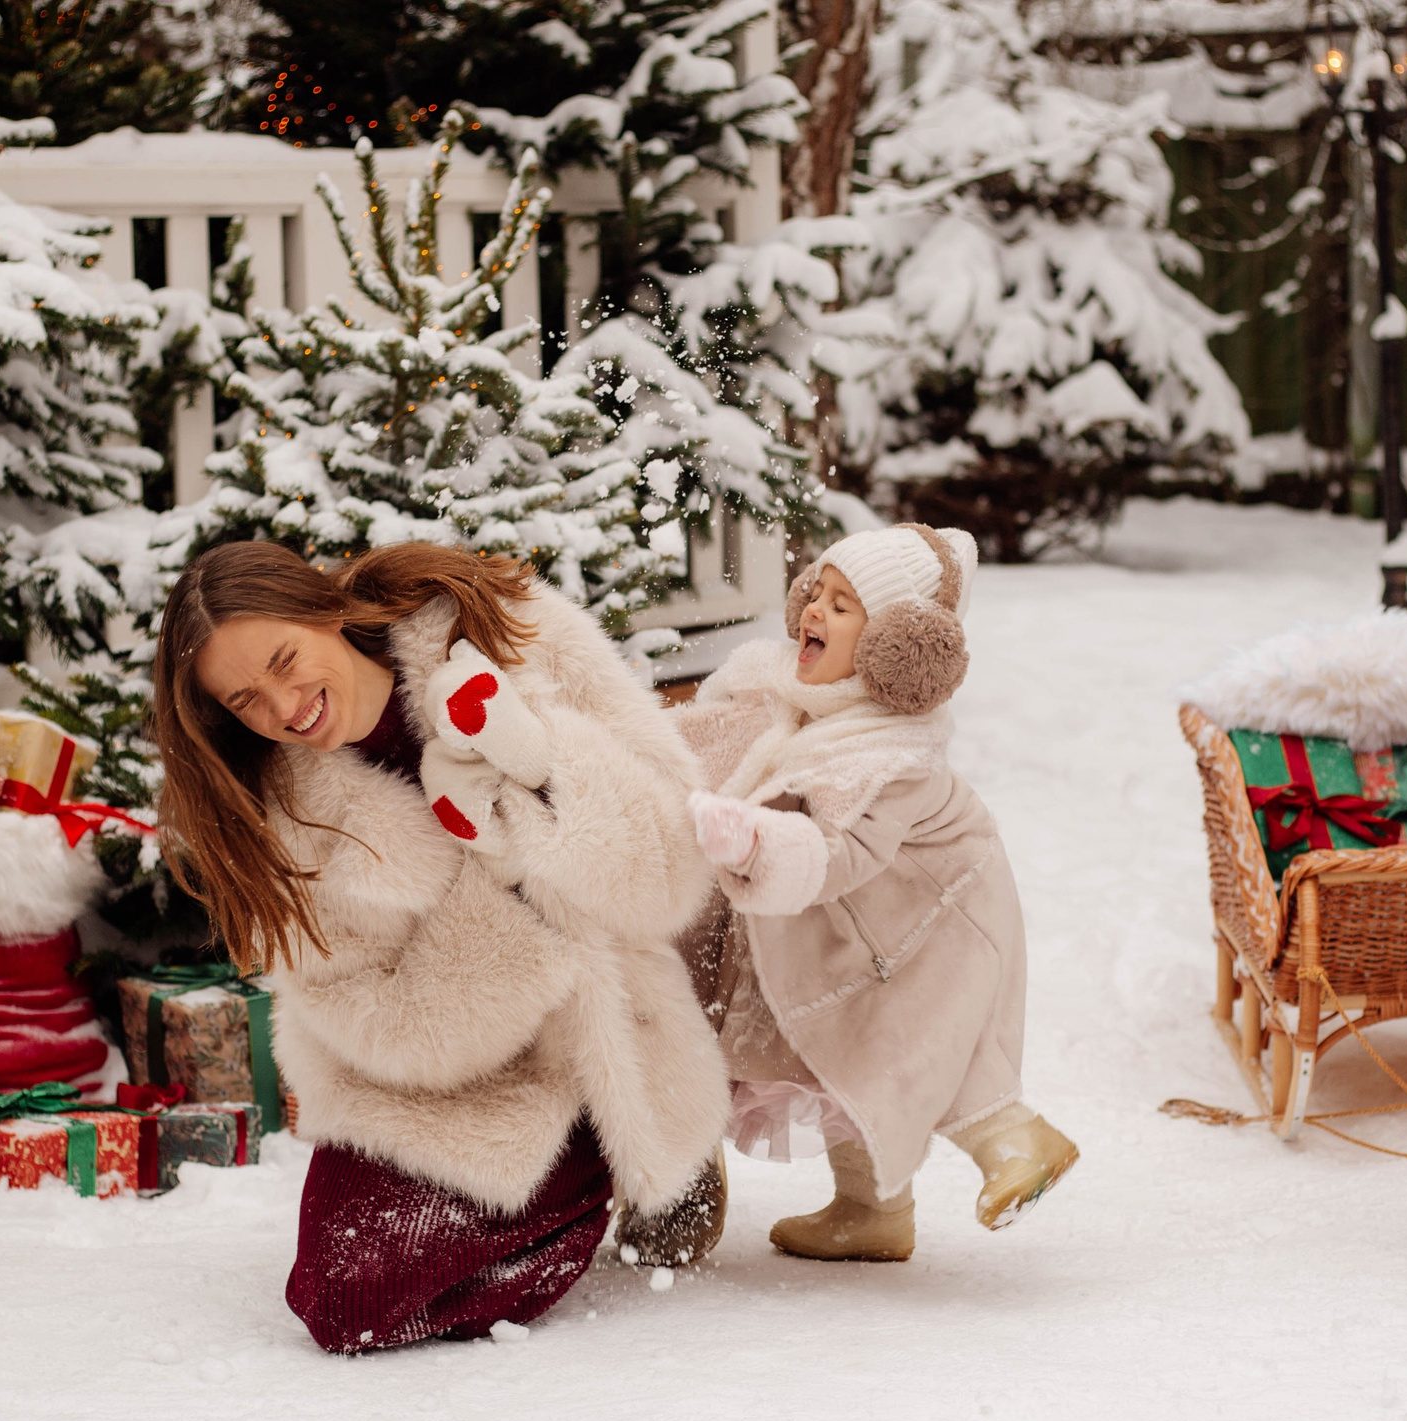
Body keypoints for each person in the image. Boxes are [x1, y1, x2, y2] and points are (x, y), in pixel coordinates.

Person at [150, 540, 729, 1350]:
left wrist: (535, 761)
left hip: (585, 1035)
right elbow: (380, 1023)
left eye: (285, 661)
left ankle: (617, 1141)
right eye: (246, 700)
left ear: (326, 608)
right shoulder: (271, 811)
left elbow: (677, 857)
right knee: (339, 1303)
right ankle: (568, 1177)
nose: (285, 708)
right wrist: (497, 883)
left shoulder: (501, 628)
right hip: (436, 1078)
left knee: (362, 1298)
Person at [674, 523, 1078, 1262]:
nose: (813, 614)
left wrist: (754, 843)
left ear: (897, 645)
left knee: (905, 1048)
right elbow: (708, 738)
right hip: (849, 929)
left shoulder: (891, 753)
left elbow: (842, 857)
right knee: (839, 1059)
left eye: (843, 605)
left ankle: (1016, 1141)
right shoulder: (793, 697)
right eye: (816, 593)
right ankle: (872, 1213)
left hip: (924, 926)